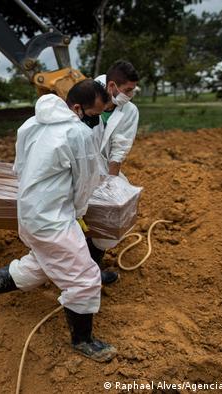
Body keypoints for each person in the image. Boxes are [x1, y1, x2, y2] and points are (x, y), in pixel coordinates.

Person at [0, 80, 117, 362]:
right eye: (96, 114)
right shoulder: (77, 133)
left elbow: (19, 167)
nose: (97, 120)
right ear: (77, 108)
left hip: (29, 211)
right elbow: (85, 181)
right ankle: (82, 340)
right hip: (53, 217)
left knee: (42, 264)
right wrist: (78, 212)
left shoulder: (30, 124)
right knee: (85, 277)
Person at [88, 61, 140, 283]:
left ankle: (91, 270)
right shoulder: (88, 94)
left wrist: (109, 185)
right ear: (111, 86)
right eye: (127, 90)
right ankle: (80, 274)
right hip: (77, 166)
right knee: (74, 217)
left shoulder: (130, 111)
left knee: (105, 216)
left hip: (103, 169)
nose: (131, 94)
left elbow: (119, 150)